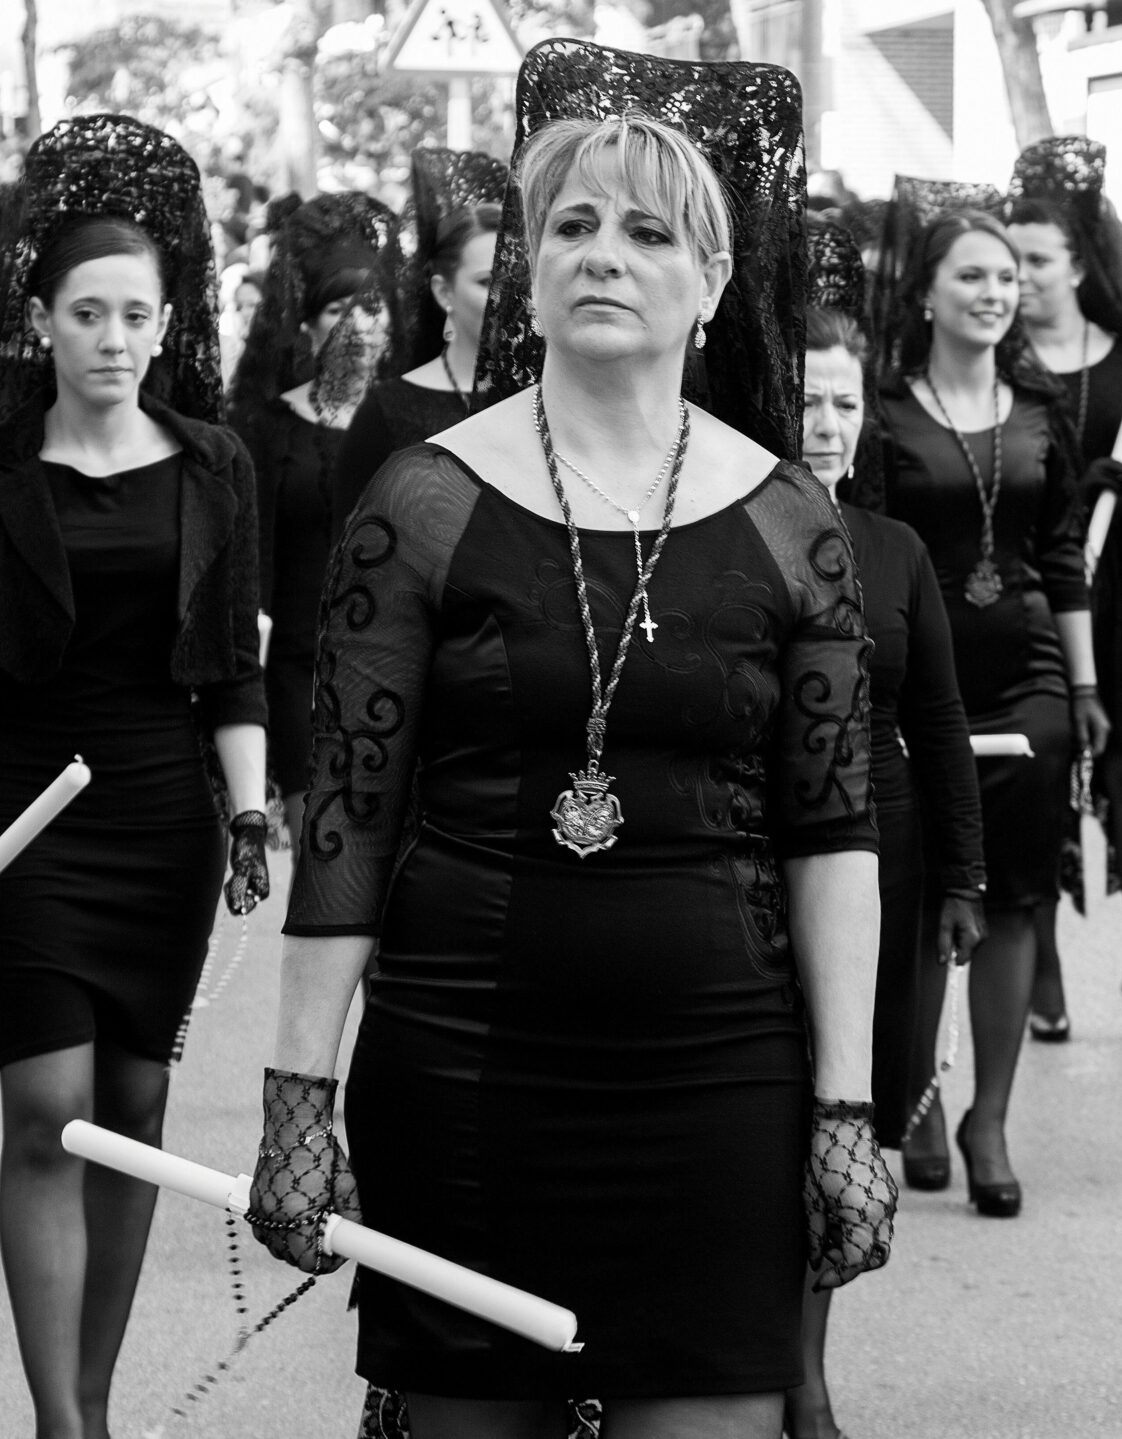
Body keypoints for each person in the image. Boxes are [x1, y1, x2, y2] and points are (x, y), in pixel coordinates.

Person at [250, 45, 893, 1437]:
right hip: (466, 1067)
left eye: (648, 230)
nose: (604, 254)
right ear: (529, 273)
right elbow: (350, 826)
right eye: (570, 226)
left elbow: (833, 832)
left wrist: (846, 1104)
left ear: (714, 285)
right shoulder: (420, 500)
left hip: (719, 1074)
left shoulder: (793, 522)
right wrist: (299, 1096)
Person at [0, 114, 269, 1439]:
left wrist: (255, 807)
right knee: (48, 1107)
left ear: (166, 325)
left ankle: (96, 1389)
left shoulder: (215, 468)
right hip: (23, 816)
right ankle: (61, 1415)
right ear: (40, 318)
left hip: (165, 823)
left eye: (135, 315)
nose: (112, 336)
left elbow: (231, 672)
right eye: (87, 311)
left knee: (137, 1106)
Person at [785, 221, 984, 1439]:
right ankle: (781, 1373)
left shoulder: (896, 546)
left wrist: (962, 872)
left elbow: (941, 719)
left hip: (890, 843)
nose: (824, 422)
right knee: (772, 1102)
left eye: (843, 402)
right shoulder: (726, 530)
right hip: (760, 853)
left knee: (854, 1107)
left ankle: (806, 1352)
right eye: (804, 399)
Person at [876, 192, 1097, 1217]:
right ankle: (918, 1093)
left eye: (1006, 277)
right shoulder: (878, 410)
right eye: (970, 274)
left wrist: (1086, 686)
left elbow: (1061, 559)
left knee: (1015, 899)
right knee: (920, 898)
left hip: (1030, 682)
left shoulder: (1046, 412)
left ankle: (989, 1116)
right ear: (923, 292)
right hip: (916, 688)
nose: (993, 293)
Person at [1009, 136, 1122, 1047]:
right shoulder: (1002, 365)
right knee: (1036, 782)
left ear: (1077, 263)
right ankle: (1041, 970)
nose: (1024, 278)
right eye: (1011, 262)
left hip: (1119, 590)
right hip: (1034, 590)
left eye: (1038, 261)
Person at [225, 191, 399, 797]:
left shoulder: (414, 421)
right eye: (337, 309)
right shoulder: (268, 428)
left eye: (372, 306)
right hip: (298, 671)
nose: (358, 324)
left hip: (399, 671)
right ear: (305, 324)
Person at [330, 148, 518, 513]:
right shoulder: (387, 412)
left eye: (518, 282)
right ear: (444, 292)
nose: (506, 299)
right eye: (487, 282)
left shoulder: (552, 402)